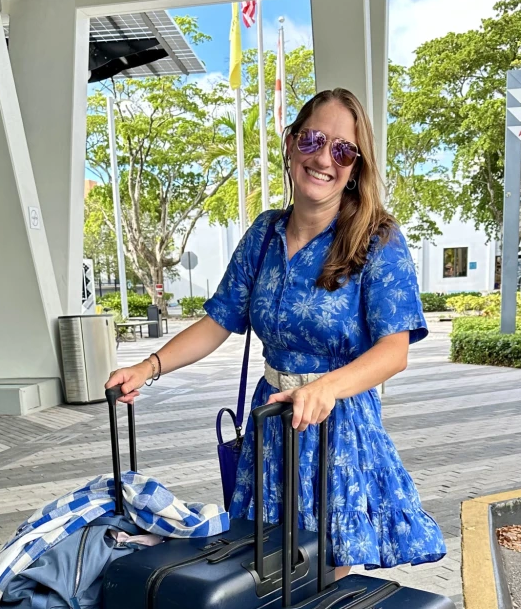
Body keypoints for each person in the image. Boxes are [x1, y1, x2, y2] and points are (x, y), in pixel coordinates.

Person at [105, 87, 445, 575]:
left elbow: (394, 351)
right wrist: (148, 367)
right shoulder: (264, 234)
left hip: (337, 426)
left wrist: (325, 389)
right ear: (290, 144)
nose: (324, 157)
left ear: (355, 168)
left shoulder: (378, 240)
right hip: (271, 422)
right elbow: (219, 320)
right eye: (313, 140)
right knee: (264, 569)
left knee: (323, 574)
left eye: (342, 150)